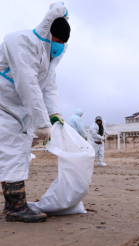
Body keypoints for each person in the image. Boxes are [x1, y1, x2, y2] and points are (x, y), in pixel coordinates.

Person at [0, 2, 70, 223]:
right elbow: (27, 84)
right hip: (4, 105)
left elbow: (48, 86)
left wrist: (54, 113)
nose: (59, 45)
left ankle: (13, 203)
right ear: (49, 34)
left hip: (14, 108)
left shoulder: (48, 55)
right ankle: (15, 207)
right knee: (13, 152)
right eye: (57, 40)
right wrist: (41, 124)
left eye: (62, 43)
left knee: (14, 152)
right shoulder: (23, 43)